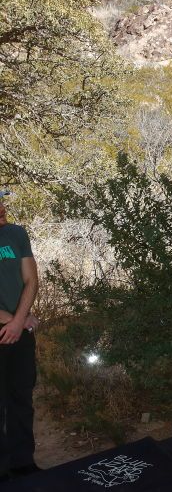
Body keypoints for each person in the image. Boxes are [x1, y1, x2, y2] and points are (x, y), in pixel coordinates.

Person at [0, 193, 40, 481]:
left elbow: (32, 279)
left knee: (21, 398)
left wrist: (19, 321)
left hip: (20, 329)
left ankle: (23, 463)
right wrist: (16, 321)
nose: (2, 208)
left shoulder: (16, 233)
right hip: (12, 325)